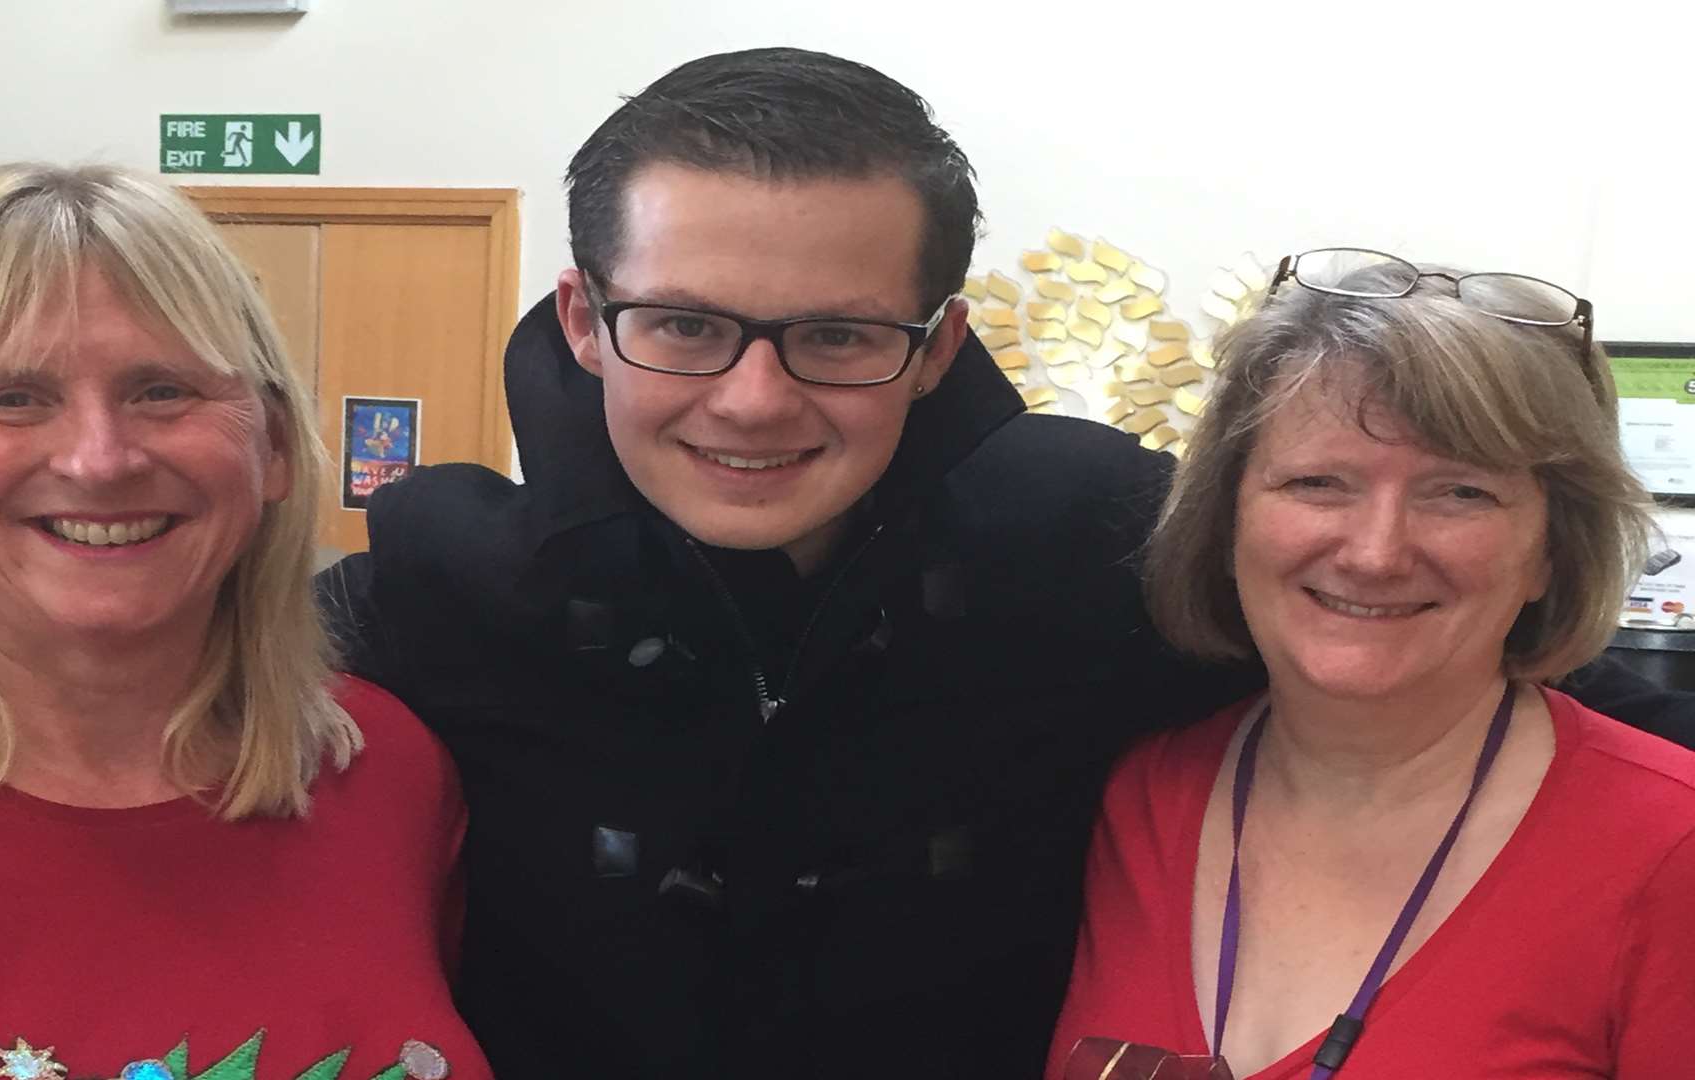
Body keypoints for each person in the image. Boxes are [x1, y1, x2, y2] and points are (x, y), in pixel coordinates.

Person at [319, 50, 1695, 1079]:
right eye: (682, 324)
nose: (752, 400)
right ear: (581, 316)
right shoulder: (453, 583)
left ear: (935, 345)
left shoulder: (1092, 542)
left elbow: (1423, 648)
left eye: (838, 337)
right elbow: (163, 694)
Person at [0, 164, 490, 1080]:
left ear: (271, 445)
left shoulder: (389, 772)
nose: (98, 461)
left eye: (162, 390)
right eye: (13, 397)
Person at [1048, 250, 1695, 1078]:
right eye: (1319, 482)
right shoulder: (1142, 798)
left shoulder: (1668, 853)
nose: (1377, 553)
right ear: (1228, 519)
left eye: (1460, 492)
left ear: (1550, 556)